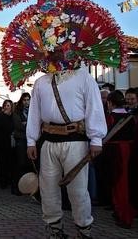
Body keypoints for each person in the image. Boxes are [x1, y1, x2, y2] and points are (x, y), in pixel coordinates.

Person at [27, 69, 107, 238]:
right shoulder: (41, 82)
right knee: (48, 189)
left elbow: (94, 107)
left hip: (76, 142)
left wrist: (96, 139)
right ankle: (55, 230)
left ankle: (83, 230)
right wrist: (31, 140)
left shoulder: (84, 77)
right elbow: (34, 112)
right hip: (48, 141)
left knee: (78, 190)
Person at [104, 90, 136, 228]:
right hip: (130, 150)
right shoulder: (131, 116)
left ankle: (124, 216)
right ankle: (123, 212)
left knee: (119, 184)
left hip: (116, 152)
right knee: (127, 183)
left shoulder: (111, 117)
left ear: (110, 103)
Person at [0, 99, 14, 189]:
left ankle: (8, 179)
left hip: (9, 142)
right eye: (5, 105)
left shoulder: (13, 116)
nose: (6, 107)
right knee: (1, 162)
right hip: (1, 142)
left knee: (9, 162)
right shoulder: (0, 116)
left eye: (8, 106)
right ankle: (2, 181)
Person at [11, 93, 31, 196]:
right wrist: (27, 124)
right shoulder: (17, 112)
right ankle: (15, 187)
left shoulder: (32, 111)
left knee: (28, 164)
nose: (26, 102)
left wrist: (26, 123)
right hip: (21, 140)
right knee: (20, 163)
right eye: (24, 100)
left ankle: (27, 187)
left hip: (30, 140)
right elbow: (18, 125)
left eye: (28, 100)